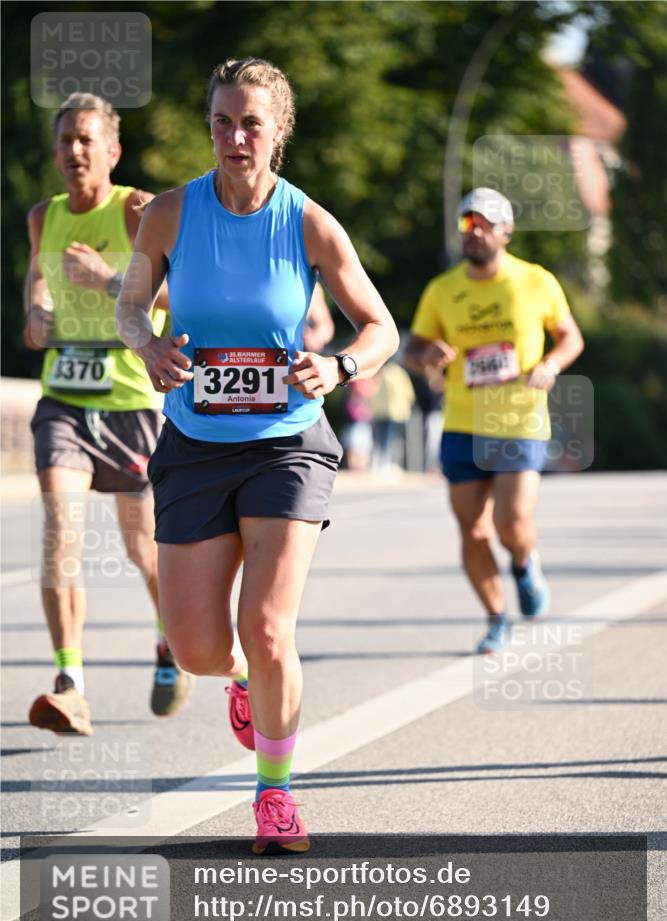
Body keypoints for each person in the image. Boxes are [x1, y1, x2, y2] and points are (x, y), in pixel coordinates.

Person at [116, 57, 398, 852]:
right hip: (195, 445)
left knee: (270, 627)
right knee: (201, 645)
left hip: (287, 445)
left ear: (278, 131)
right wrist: (145, 347)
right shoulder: (168, 215)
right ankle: (239, 678)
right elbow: (130, 306)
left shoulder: (309, 223)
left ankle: (275, 796)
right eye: (221, 122)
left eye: (250, 123)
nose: (234, 137)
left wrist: (341, 364)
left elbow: (381, 328)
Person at [24, 93, 194, 738]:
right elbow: (33, 315)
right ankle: (71, 684)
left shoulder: (136, 210)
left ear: (112, 151)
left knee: (143, 550)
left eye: (86, 140)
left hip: (129, 402)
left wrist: (105, 280)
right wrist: (38, 316)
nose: (73, 152)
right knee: (60, 533)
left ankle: (168, 640)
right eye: (65, 140)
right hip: (65, 399)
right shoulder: (44, 218)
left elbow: (185, 292)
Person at [405, 188, 584, 653]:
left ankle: (525, 564)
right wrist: (429, 354)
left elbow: (570, 338)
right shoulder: (443, 290)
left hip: (519, 419)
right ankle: (496, 616)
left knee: (511, 521)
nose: (475, 231)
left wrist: (551, 366)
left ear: (506, 231)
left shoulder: (535, 282)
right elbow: (411, 350)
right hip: (463, 422)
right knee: (472, 529)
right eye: (467, 223)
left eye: (484, 223)